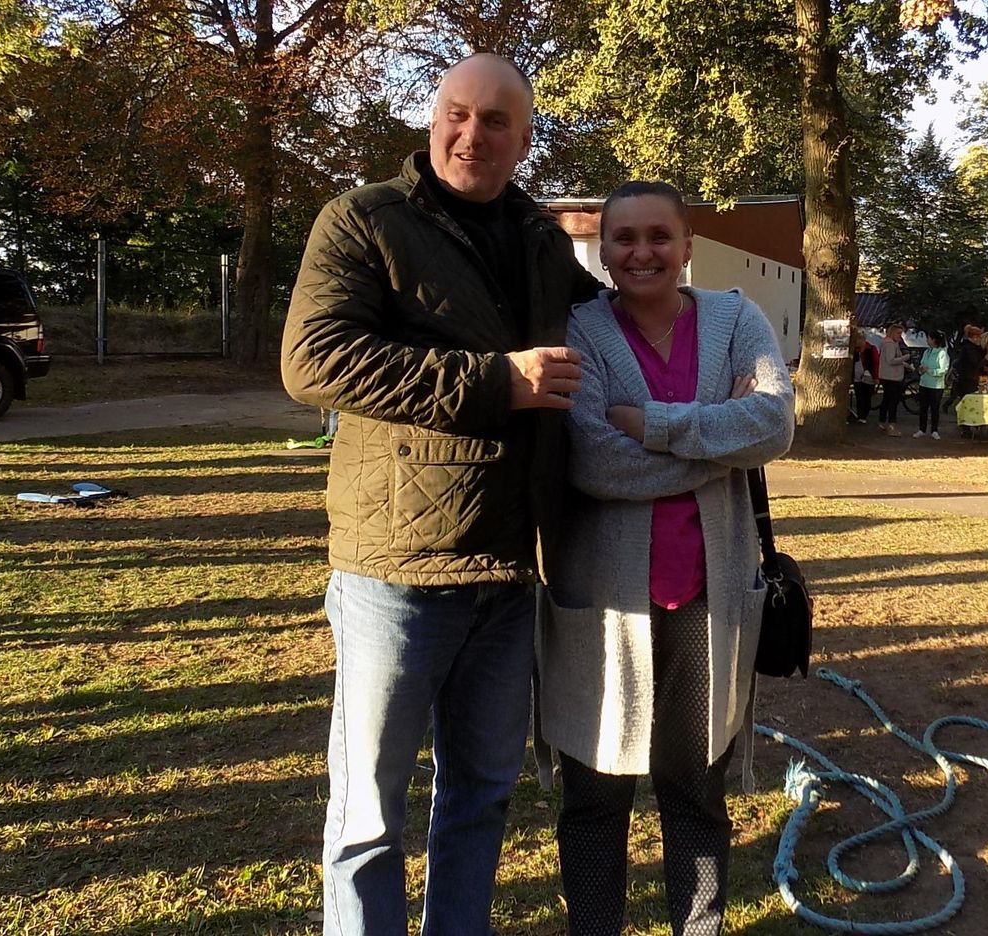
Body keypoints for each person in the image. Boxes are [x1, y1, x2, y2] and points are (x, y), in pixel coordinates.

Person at [280, 53, 604, 935]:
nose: (472, 134)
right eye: (457, 114)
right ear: (431, 122)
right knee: (369, 814)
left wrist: (710, 320)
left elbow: (615, 325)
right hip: (396, 571)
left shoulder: (540, 240)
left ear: (524, 138)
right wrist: (497, 381)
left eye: (496, 120)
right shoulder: (363, 220)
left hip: (509, 569)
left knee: (481, 797)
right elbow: (313, 361)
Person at [536, 180, 794, 936]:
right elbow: (593, 460)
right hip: (604, 605)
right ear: (603, 249)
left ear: (687, 247)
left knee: (695, 791)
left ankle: (699, 929)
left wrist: (647, 423)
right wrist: (718, 437)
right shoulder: (580, 331)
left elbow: (774, 425)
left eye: (659, 236)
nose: (641, 252)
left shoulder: (737, 319)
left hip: (707, 600)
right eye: (624, 238)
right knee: (594, 796)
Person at [914, 330, 949, 439]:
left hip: (936, 386)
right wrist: (921, 369)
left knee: (934, 409)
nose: (927, 340)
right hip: (924, 384)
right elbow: (922, 364)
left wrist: (929, 370)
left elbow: (943, 370)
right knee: (923, 408)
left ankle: (934, 430)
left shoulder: (942, 353)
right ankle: (922, 429)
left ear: (934, 340)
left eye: (928, 338)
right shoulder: (926, 352)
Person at [876, 323, 909, 436]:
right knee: (893, 401)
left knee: (886, 400)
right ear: (892, 333)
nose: (900, 336)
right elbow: (891, 360)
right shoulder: (890, 344)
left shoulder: (887, 343)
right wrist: (905, 358)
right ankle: (891, 425)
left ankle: (882, 422)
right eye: (898, 333)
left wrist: (904, 364)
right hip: (892, 377)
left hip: (887, 376)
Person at [946, 324, 987, 413]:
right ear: (975, 337)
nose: (980, 340)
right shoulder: (969, 348)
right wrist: (985, 360)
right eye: (979, 337)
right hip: (967, 378)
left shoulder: (968, 347)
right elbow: (974, 363)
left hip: (967, 377)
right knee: (968, 400)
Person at [851, 333, 878, 423]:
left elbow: (876, 363)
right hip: (857, 377)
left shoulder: (871, 349)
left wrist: (876, 376)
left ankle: (864, 414)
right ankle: (860, 416)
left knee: (867, 397)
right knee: (859, 396)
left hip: (868, 376)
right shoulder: (854, 350)